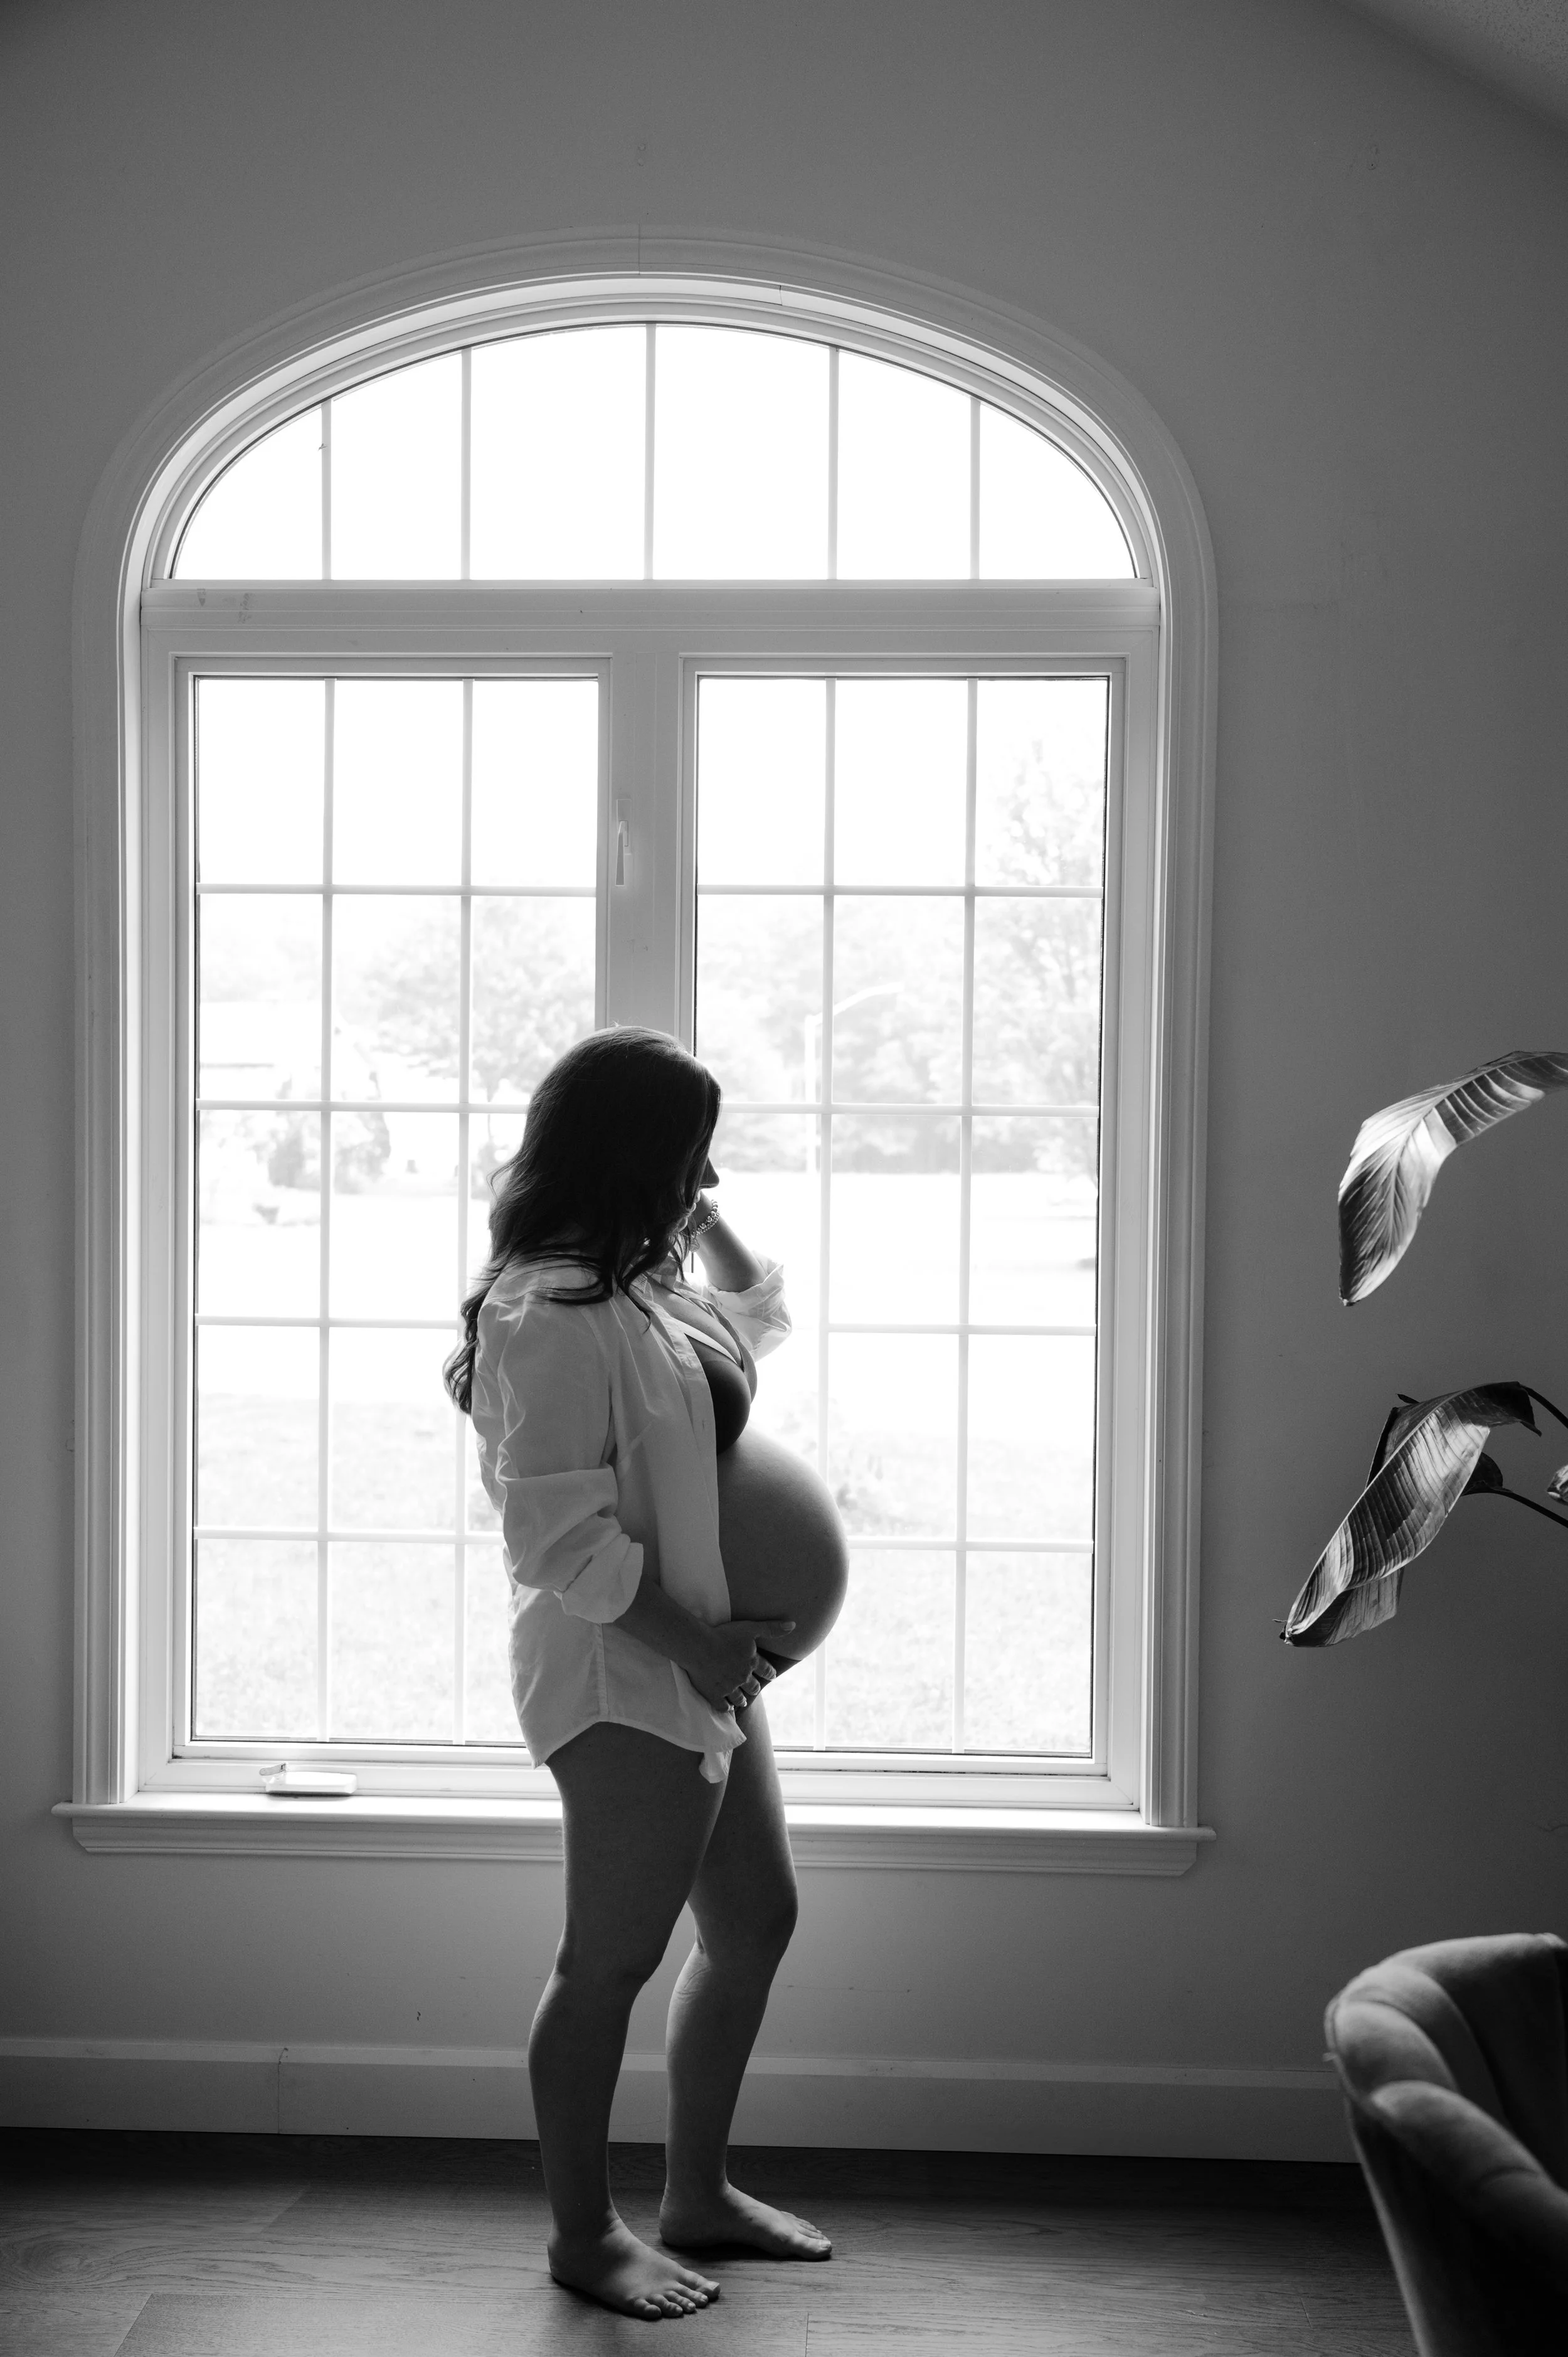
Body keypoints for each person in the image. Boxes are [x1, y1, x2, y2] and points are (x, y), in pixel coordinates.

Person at [445, 1028, 841, 2321]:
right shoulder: (543, 1313)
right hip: (628, 1668)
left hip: (705, 1656)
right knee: (606, 1962)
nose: (706, 1179)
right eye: (691, 1156)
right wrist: (702, 1646)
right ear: (630, 1156)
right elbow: (553, 1538)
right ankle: (583, 2236)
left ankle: (697, 2193)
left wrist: (699, 1210)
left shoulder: (640, 1278)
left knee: (755, 1922)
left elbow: (758, 1316)